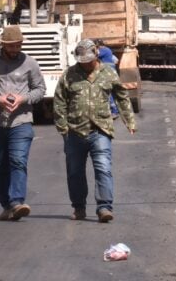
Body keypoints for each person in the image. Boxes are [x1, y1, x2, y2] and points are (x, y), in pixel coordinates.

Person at [53, 39, 136, 223]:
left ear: (96, 55)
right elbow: (59, 102)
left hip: (100, 130)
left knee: (103, 169)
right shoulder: (69, 75)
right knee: (75, 172)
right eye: (82, 60)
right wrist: (63, 128)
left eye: (88, 60)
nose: (85, 64)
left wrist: (129, 120)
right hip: (75, 132)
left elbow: (121, 97)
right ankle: (79, 207)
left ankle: (104, 207)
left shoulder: (108, 73)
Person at [0, 25, 46, 221]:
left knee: (18, 161)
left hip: (21, 121)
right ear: (3, 45)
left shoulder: (30, 63)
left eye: (18, 45)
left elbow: (40, 89)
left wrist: (23, 99)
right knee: (1, 165)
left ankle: (17, 202)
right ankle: (6, 204)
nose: (15, 49)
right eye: (12, 46)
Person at [95, 39, 120, 119]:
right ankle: (115, 110)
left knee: (106, 91)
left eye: (96, 45)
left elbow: (95, 55)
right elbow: (116, 60)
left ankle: (114, 111)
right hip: (111, 71)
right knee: (111, 91)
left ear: (98, 45)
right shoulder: (108, 50)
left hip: (107, 72)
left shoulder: (103, 50)